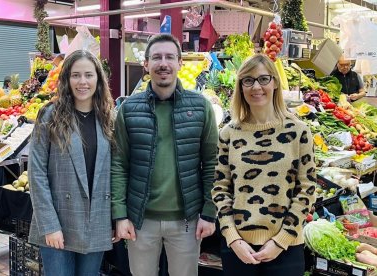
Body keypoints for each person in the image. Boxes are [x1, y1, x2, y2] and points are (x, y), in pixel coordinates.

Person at [111, 33, 218, 276]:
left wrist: (210, 213)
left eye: (170, 57)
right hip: (141, 221)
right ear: (146, 64)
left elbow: (213, 162)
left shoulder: (200, 107)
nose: (163, 63)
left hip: (187, 221)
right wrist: (120, 215)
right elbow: (119, 164)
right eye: (156, 57)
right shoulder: (129, 109)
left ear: (181, 63)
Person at [211, 54, 317, 276]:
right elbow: (220, 189)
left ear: (275, 83)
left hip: (286, 249)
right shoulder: (229, 133)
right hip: (238, 250)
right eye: (248, 80)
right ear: (240, 87)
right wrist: (233, 238)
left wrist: (281, 241)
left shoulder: (298, 132)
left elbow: (307, 190)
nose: (256, 87)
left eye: (263, 79)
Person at [28, 50, 115, 276]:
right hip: (58, 222)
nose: (82, 82)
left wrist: (116, 218)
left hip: (96, 220)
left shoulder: (108, 118)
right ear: (66, 79)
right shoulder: (49, 116)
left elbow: (115, 172)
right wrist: (49, 225)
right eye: (76, 75)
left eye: (88, 75)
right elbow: (36, 173)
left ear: (98, 79)